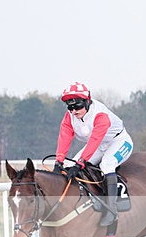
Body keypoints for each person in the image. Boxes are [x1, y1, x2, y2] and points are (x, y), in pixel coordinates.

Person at [54, 82, 134, 226]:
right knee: (69, 165)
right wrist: (59, 161)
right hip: (99, 144)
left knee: (107, 164)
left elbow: (95, 140)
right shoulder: (69, 117)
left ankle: (112, 210)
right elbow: (64, 136)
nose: (73, 111)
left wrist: (81, 163)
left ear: (87, 101)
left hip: (119, 141)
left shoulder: (100, 114)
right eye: (70, 107)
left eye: (77, 106)